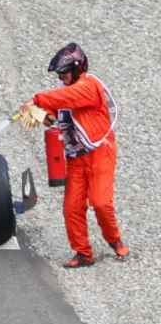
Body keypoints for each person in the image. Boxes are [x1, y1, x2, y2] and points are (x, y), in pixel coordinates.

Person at [19, 43, 129, 268]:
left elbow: (68, 98)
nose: (62, 77)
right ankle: (83, 253)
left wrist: (36, 100)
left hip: (100, 153)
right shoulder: (65, 90)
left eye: (64, 73)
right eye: (60, 74)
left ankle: (114, 239)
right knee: (72, 207)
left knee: (100, 201)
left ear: (78, 69)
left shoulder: (89, 86)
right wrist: (39, 114)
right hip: (76, 157)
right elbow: (56, 116)